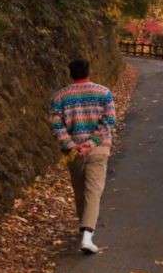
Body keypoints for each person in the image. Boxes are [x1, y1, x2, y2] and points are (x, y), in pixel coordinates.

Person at [49, 58, 116, 254]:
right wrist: (92, 143)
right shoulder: (103, 93)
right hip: (98, 148)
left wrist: (71, 145)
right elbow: (109, 120)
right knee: (93, 191)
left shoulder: (60, 96)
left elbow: (56, 124)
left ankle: (85, 231)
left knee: (80, 190)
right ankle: (87, 235)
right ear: (89, 71)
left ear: (70, 73)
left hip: (74, 151)